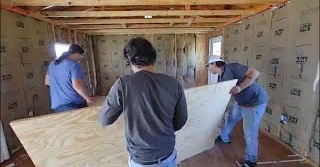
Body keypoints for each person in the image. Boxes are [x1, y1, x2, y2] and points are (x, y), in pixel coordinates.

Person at [98, 37, 188, 167]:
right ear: (153, 57)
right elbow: (181, 120)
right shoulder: (173, 83)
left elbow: (105, 119)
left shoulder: (123, 84)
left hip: (141, 159)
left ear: (129, 60)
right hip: (168, 153)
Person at [207, 55, 269, 167]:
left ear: (215, 64)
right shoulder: (220, 77)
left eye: (209, 65)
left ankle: (251, 162)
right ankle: (224, 137)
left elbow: (255, 73)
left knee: (249, 134)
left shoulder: (233, 68)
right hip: (241, 103)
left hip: (254, 103)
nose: (208, 68)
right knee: (230, 117)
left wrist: (239, 87)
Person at [45, 44, 94, 113]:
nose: (80, 58)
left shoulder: (52, 64)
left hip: (57, 105)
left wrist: (62, 88)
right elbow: (77, 85)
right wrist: (87, 98)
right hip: (73, 104)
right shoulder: (73, 64)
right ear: (76, 53)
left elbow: (47, 82)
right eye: (81, 55)